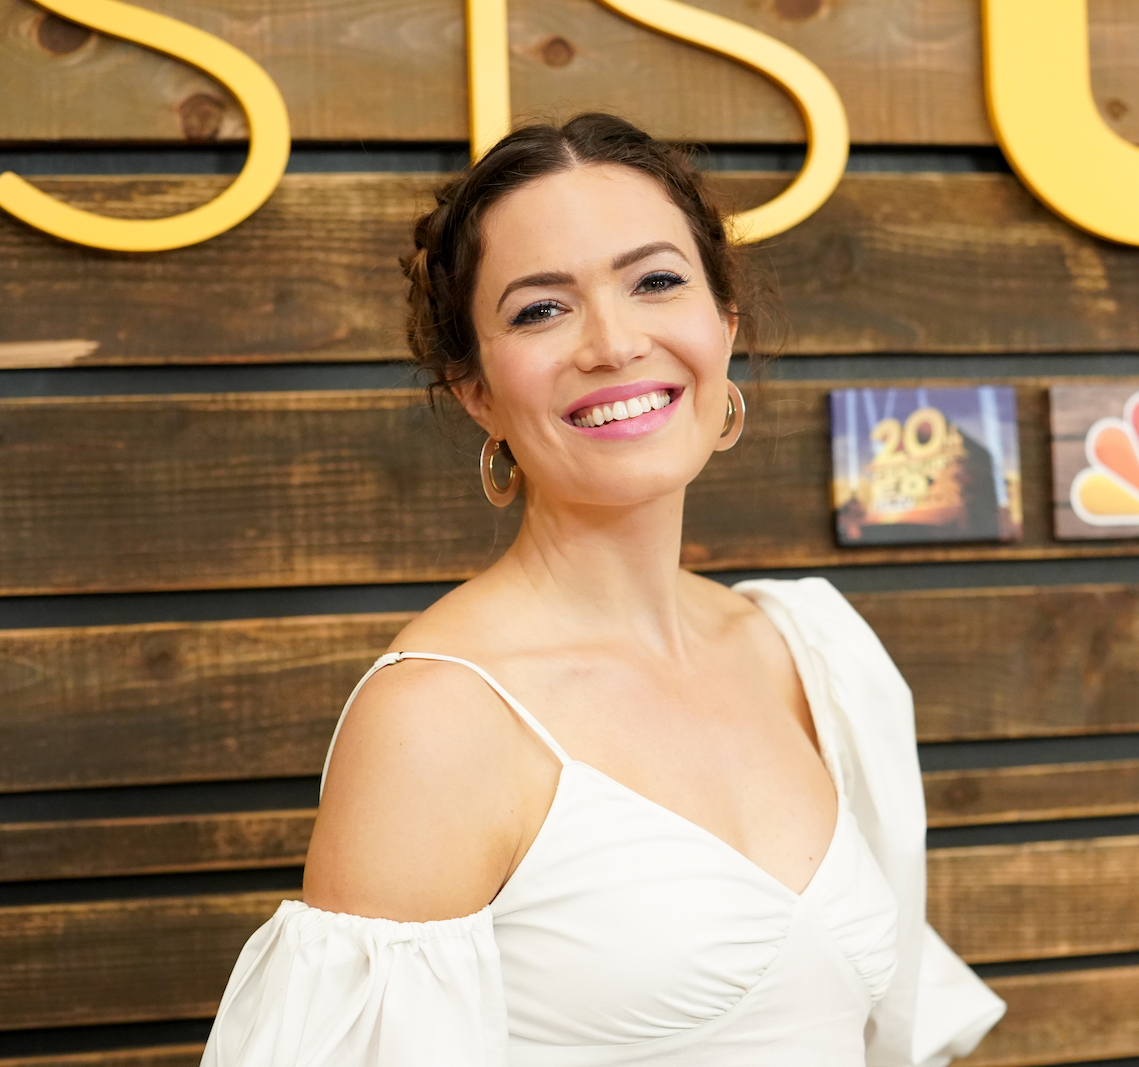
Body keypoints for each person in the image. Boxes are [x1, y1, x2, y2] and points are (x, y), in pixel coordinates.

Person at [199, 112, 1005, 1066]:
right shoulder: (437, 721)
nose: (615, 343)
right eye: (542, 309)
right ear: (478, 391)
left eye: (657, 282)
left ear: (722, 326)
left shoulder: (811, 646)